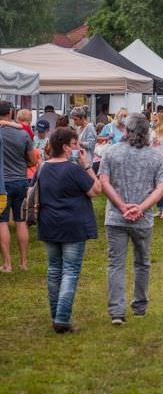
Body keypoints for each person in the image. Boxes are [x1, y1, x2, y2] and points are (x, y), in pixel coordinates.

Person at [99, 113, 163, 325]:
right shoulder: (155, 156)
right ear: (147, 132)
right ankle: (139, 305)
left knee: (116, 263)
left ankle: (117, 311)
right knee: (142, 262)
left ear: (126, 130)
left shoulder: (111, 152)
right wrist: (141, 207)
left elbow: (104, 181)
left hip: (117, 217)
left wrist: (121, 205)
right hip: (142, 217)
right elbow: (161, 187)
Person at [37, 127, 101, 333]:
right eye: (75, 144)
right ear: (65, 147)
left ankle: (56, 314)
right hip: (73, 225)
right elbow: (96, 190)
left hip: (48, 223)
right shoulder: (74, 170)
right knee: (70, 272)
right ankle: (62, 318)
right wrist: (87, 165)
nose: (78, 148)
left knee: (54, 270)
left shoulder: (43, 168)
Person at [0, 101, 35, 272]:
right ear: (11, 113)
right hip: (21, 180)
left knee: (3, 222)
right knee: (20, 221)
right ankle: (24, 262)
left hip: (2, 183)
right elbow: (33, 160)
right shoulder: (23, 134)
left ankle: (7, 264)